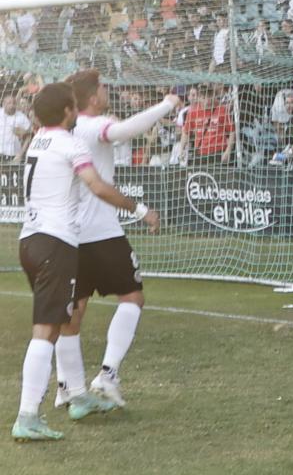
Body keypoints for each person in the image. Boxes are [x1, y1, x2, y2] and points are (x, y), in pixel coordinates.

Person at [12, 84, 157, 440]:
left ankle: (77, 395)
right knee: (45, 330)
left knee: (62, 320)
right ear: (66, 110)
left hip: (29, 240)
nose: (77, 111)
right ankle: (27, 416)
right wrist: (139, 209)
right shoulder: (70, 142)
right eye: (74, 106)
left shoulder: (39, 140)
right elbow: (97, 185)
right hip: (55, 243)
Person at [51, 71, 173, 413]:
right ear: (92, 97)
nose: (107, 92)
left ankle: (66, 387)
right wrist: (167, 104)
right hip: (101, 232)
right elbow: (122, 132)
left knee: (72, 315)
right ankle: (107, 374)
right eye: (104, 87)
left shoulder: (63, 131)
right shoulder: (92, 125)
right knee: (132, 297)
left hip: (68, 233)